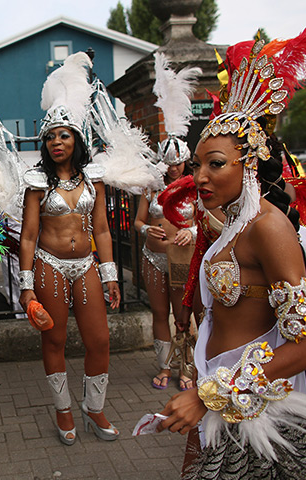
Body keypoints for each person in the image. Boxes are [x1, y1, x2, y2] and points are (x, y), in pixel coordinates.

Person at [156, 28, 306, 477]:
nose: (201, 177)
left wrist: (209, 394)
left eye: (216, 164)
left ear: (249, 165)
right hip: (224, 394)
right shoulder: (233, 224)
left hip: (252, 405)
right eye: (197, 165)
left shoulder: (269, 228)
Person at [18, 52, 122, 446]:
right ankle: (63, 410)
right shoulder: (37, 182)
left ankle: (93, 407)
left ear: (76, 138)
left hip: (87, 265)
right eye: (49, 136)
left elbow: (103, 230)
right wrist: (26, 287)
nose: (56, 142)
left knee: (99, 341)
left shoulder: (93, 178)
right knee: (55, 340)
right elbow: (28, 236)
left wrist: (110, 274)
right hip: (49, 266)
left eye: (63, 135)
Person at [134, 53, 200, 392]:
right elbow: (137, 222)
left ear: (185, 162)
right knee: (158, 314)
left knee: (182, 313)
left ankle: (186, 367)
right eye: (169, 164)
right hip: (152, 256)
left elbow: (208, 222)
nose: (173, 169)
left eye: (178, 164)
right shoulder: (151, 185)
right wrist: (148, 230)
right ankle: (163, 366)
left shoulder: (196, 189)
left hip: (181, 259)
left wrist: (190, 231)